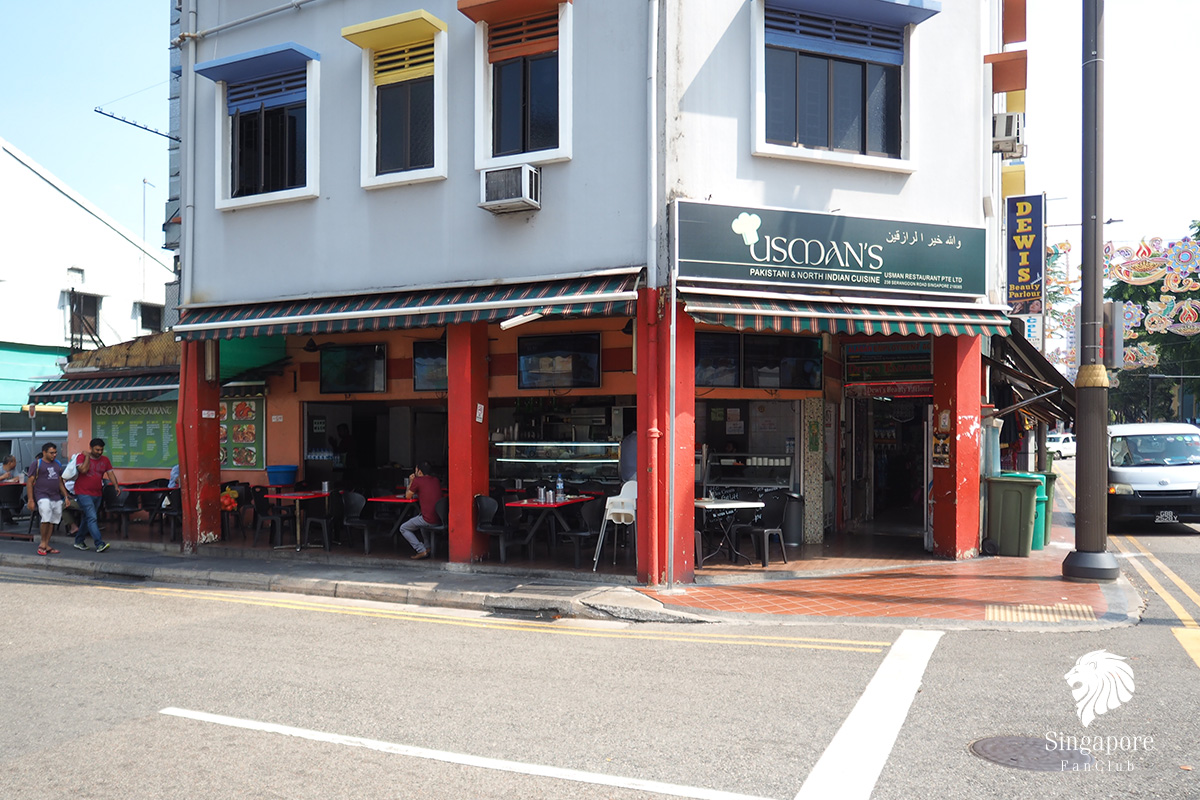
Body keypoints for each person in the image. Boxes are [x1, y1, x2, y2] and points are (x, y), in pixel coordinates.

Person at [71, 437, 120, 553]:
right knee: (92, 517)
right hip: (83, 492)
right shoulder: (82, 457)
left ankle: (78, 541)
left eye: (101, 450)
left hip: (97, 493)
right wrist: (88, 457)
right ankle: (99, 544)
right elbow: (83, 470)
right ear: (91, 448)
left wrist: (116, 486)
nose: (99, 452)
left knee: (87, 518)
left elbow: (110, 473)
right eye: (97, 450)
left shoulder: (105, 460)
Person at [26, 442, 67, 556]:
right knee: (46, 516)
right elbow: (29, 482)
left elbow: (60, 481)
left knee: (53, 520)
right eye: (51, 453)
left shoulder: (57, 464)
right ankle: (42, 543)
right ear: (44, 452)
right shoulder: (37, 464)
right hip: (42, 494)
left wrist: (66, 496)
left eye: (55, 452)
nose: (54, 455)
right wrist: (30, 500)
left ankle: (47, 544)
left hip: (55, 496)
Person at [398, 461, 439, 559]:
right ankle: (428, 547)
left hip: (428, 519)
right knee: (421, 524)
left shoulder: (418, 481)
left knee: (403, 528)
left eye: (416, 470)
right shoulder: (436, 480)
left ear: (419, 472)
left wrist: (411, 481)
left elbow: (408, 496)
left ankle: (421, 550)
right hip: (439, 518)